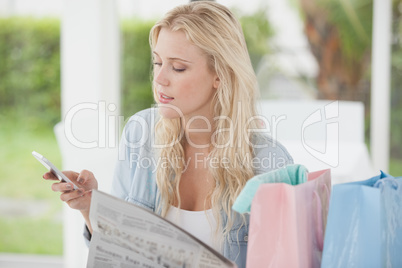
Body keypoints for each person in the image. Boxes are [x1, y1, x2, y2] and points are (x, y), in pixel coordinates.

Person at [43, 2, 293, 267]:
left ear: (219, 74)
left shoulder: (269, 163)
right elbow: (118, 251)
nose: (159, 78)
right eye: (158, 62)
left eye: (178, 67)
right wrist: (90, 207)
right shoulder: (141, 135)